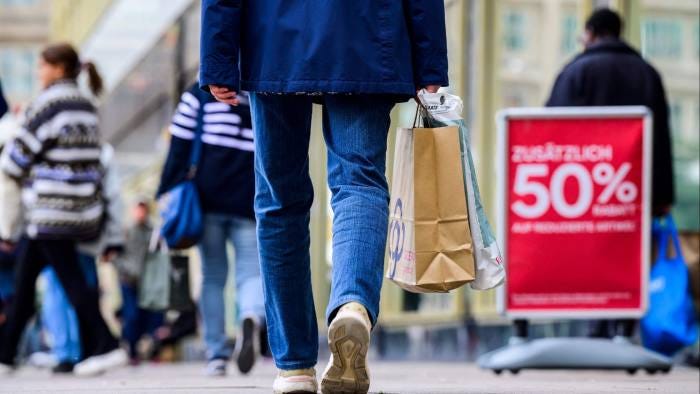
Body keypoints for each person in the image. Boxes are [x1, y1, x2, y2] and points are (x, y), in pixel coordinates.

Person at [200, 1, 448, 392]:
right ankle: (352, 304)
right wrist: (430, 58)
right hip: (367, 32)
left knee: (280, 202)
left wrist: (217, 57)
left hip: (273, 37)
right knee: (359, 181)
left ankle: (294, 366)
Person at [0, 43, 127, 376]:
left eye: (40, 66)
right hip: (80, 209)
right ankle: (6, 354)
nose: (37, 72)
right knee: (26, 283)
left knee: (71, 282)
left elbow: (15, 160)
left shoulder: (49, 104)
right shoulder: (86, 104)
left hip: (51, 210)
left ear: (57, 68)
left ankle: (108, 344)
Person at [547, 8, 674, 338]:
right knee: (629, 254)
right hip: (633, 188)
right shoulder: (648, 73)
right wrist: (662, 195)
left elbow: (550, 132)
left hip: (585, 190)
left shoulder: (576, 71)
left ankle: (596, 325)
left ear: (591, 33)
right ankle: (625, 324)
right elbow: (661, 138)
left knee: (590, 251)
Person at [157, 83, 265, 376]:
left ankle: (216, 354)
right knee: (252, 273)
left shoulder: (199, 93)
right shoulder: (258, 91)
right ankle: (251, 316)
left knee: (213, 276)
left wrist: (164, 192)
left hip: (206, 199)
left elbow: (178, 146)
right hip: (250, 198)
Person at [113, 200, 164, 365]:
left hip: (147, 283)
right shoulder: (126, 232)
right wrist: (125, 270)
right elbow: (116, 256)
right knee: (132, 315)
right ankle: (131, 350)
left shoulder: (153, 232)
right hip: (128, 281)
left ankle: (148, 350)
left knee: (150, 316)